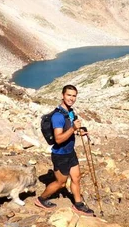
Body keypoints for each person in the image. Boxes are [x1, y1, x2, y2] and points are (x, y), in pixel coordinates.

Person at [34, 84, 95, 216]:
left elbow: (70, 130)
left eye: (74, 96)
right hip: (60, 155)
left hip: (70, 152)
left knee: (76, 178)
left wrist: (79, 131)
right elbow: (59, 139)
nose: (71, 98)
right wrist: (73, 129)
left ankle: (78, 204)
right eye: (69, 95)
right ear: (63, 95)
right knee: (61, 183)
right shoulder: (58, 117)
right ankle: (41, 199)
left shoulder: (70, 112)